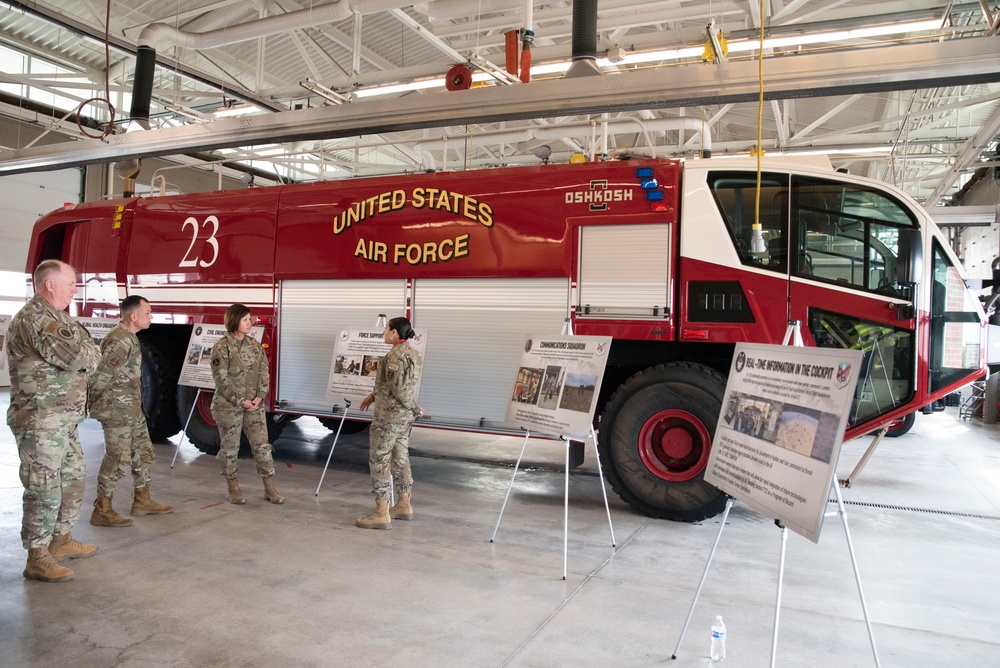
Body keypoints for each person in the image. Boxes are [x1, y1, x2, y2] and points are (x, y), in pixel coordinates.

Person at [6, 259, 102, 582]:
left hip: (63, 419)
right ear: (50, 285)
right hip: (40, 419)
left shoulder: (59, 318)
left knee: (73, 479)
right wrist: (88, 350)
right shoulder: (36, 319)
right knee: (43, 488)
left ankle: (60, 540)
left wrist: (87, 348)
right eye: (71, 282)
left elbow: (84, 350)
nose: (76, 288)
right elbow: (81, 356)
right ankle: (37, 555)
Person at [88, 295, 173, 527]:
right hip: (116, 411)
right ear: (133, 316)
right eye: (147, 313)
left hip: (132, 409)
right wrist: (91, 403)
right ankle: (102, 510)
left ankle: (142, 500)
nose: (151, 317)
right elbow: (101, 377)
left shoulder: (130, 338)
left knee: (144, 453)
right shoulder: (120, 341)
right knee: (117, 459)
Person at [209, 303, 284, 505]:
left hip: (254, 406)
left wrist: (259, 397)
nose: (250, 323)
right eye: (245, 320)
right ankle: (233, 489)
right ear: (234, 321)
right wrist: (242, 401)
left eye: (250, 319)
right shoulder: (222, 347)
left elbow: (264, 372)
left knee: (262, 446)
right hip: (230, 407)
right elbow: (221, 380)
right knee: (230, 448)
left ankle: (270, 488)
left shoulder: (254, 345)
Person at [356, 316, 423, 530]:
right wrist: (373, 396)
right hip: (402, 419)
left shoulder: (395, 355)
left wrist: (415, 407)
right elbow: (394, 384)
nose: (384, 332)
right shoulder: (412, 352)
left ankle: (381, 512)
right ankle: (404, 505)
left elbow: (398, 388)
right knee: (401, 458)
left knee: (379, 460)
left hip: (389, 418)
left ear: (394, 333)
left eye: (386, 328)